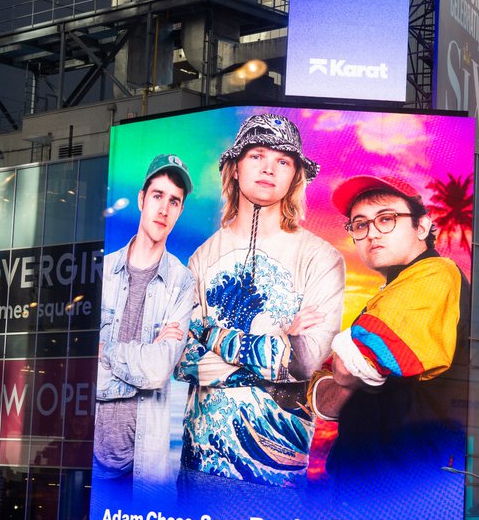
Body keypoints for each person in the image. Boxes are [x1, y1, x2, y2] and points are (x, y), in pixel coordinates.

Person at [175, 113, 345, 490]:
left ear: (295, 175)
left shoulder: (322, 257)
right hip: (198, 462)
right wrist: (276, 341)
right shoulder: (201, 258)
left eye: (282, 160)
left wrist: (210, 336)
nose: (269, 168)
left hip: (277, 470)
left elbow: (303, 362)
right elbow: (181, 358)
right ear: (235, 168)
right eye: (257, 156)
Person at [308, 174, 470, 480]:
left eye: (386, 219)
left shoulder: (437, 272)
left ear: (421, 227)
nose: (371, 233)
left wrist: (348, 366)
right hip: (359, 483)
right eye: (360, 224)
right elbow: (323, 403)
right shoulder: (386, 298)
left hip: (405, 486)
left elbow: (351, 364)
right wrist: (348, 363)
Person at [93, 154, 197, 481]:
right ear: (141, 199)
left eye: (174, 201)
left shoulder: (182, 281)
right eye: (157, 196)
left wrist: (106, 353)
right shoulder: (103, 272)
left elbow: (157, 371)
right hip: (91, 456)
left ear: (180, 211)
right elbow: (83, 368)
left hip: (143, 469)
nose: (164, 209)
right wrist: (142, 355)